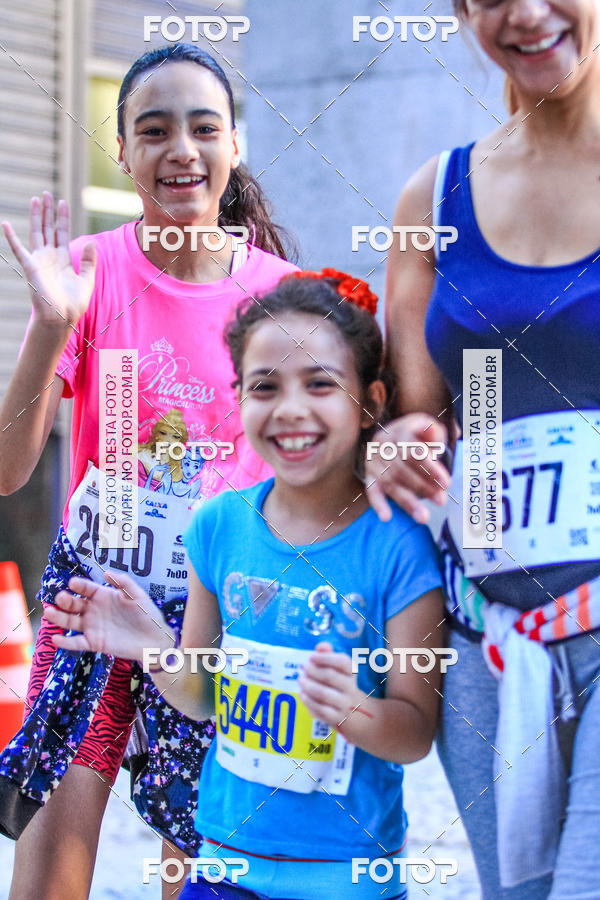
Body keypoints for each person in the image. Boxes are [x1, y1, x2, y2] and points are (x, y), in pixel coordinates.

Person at [0, 43, 297, 900]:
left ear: (233, 145)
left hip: (214, 618)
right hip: (90, 603)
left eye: (203, 128)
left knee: (197, 872)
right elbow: (10, 471)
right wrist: (52, 325)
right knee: (48, 871)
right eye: (154, 130)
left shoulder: (284, 295)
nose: (180, 150)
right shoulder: (88, 272)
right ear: (124, 151)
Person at [45, 270, 446, 899]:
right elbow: (201, 696)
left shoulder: (399, 547)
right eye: (264, 386)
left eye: (320, 383)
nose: (291, 408)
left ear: (370, 400)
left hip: (347, 880)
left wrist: (354, 709)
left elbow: (416, 733)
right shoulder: (218, 525)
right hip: (223, 870)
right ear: (238, 399)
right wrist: (153, 646)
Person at [371, 0, 600, 897]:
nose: (528, 12)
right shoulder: (432, 199)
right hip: (485, 642)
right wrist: (397, 444)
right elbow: (425, 418)